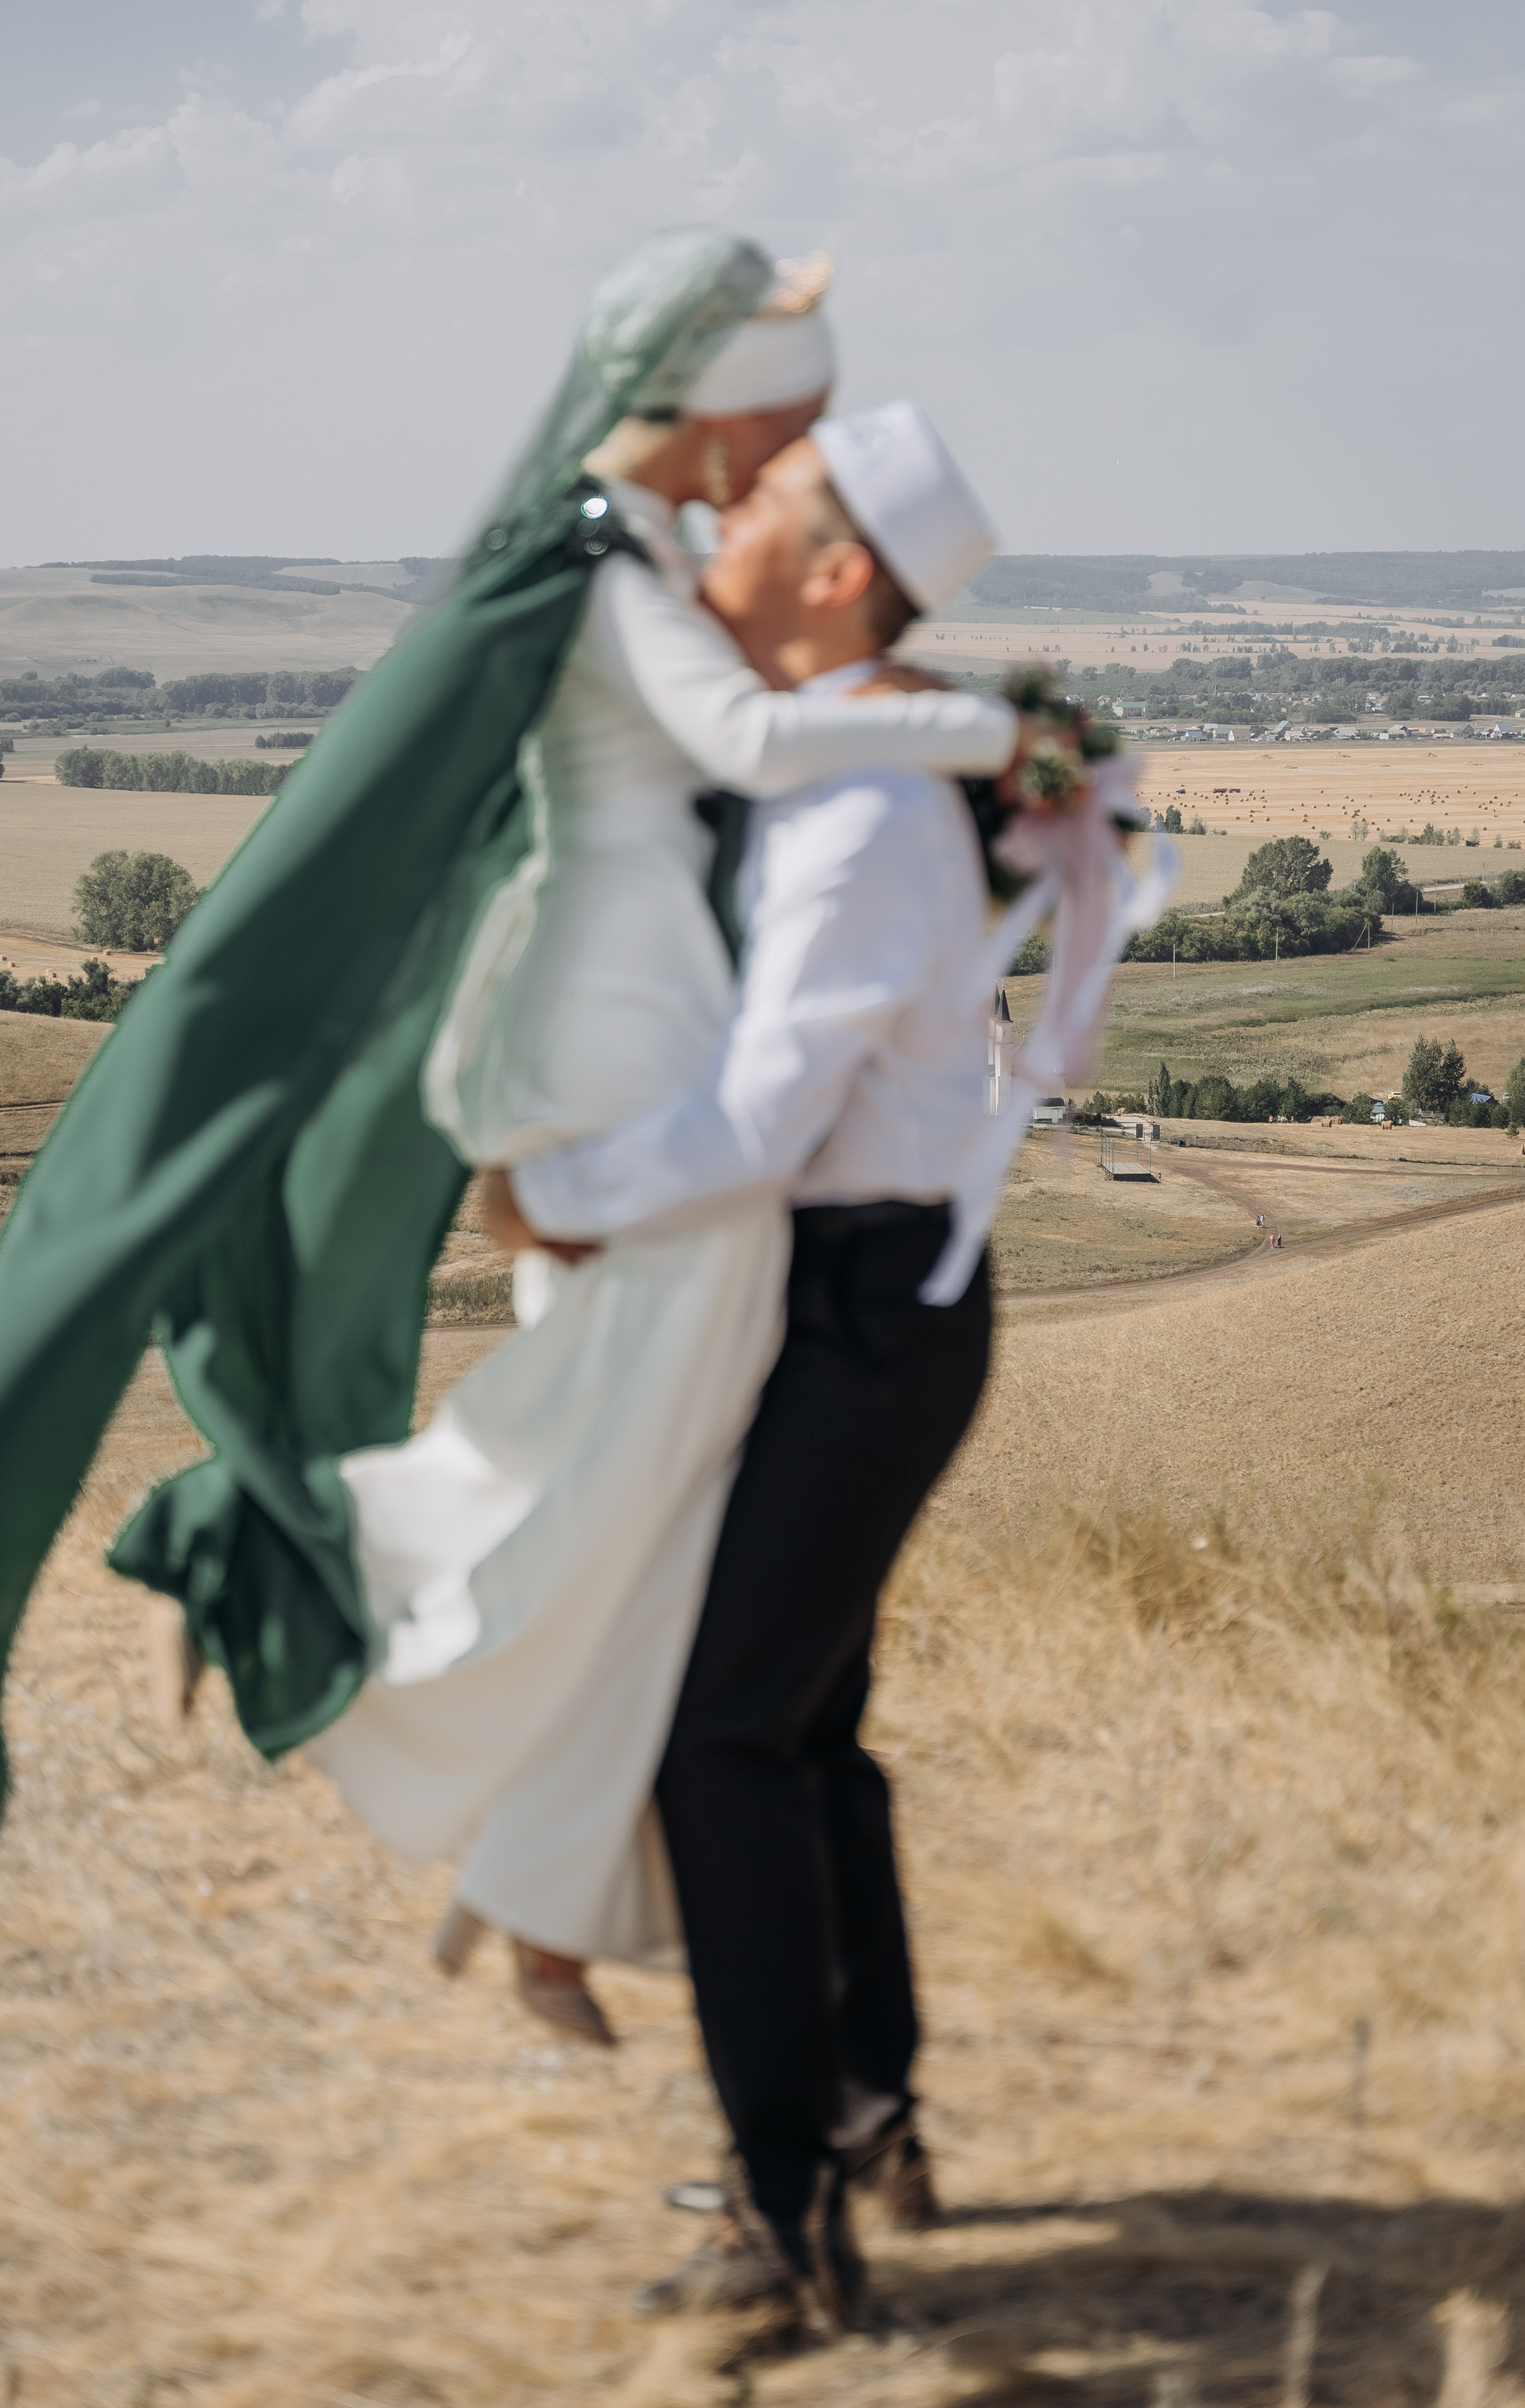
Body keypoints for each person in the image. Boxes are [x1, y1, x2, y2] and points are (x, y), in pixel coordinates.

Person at [302, 264, 1028, 2047]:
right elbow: (752, 738)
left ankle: (565, 1890)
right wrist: (1007, 731)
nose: (766, 470)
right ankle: (538, 1857)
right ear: (717, 406)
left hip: (633, 1016)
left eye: (789, 468)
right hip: (637, 1019)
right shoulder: (611, 567)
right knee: (647, 1486)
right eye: (777, 436)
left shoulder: (610, 554)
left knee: (652, 1489)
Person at [494, 399, 1090, 2325]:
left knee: (721, 1734)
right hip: (853, 1299)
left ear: (836, 576)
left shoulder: (853, 818)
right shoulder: (840, 772)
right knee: (804, 1723)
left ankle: (784, 2216)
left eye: (763, 498)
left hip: (857, 1310)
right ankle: (867, 2109)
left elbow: (760, 1125)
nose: (725, 509)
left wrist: (556, 1194)